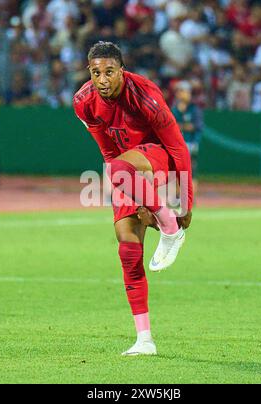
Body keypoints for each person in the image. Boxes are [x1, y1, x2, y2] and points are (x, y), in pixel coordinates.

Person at [73, 42, 193, 356]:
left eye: (109, 72)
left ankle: (170, 227)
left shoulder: (147, 97)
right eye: (96, 72)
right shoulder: (83, 102)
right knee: (128, 248)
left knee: (116, 169)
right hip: (127, 169)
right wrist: (133, 191)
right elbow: (108, 151)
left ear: (122, 72)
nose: (102, 79)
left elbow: (178, 148)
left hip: (159, 160)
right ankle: (144, 340)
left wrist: (185, 200)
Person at [172, 80, 203, 197]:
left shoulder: (194, 109)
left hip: (190, 144)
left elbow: (196, 127)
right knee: (175, 171)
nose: (185, 94)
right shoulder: (174, 109)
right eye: (182, 91)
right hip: (176, 146)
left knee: (191, 171)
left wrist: (180, 126)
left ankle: (191, 198)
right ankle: (178, 196)